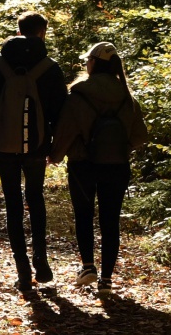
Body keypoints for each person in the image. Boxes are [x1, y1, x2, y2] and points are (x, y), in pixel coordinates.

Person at [0, 11, 68, 292]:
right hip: (37, 145)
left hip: (5, 145)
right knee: (35, 198)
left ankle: (23, 270)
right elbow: (60, 110)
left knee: (13, 203)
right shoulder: (49, 67)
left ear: (19, 30)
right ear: (42, 32)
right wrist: (55, 144)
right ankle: (41, 257)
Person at [49, 42, 149, 293]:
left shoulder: (79, 94)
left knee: (84, 215)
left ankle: (88, 267)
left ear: (93, 63)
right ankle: (106, 279)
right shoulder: (127, 96)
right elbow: (139, 137)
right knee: (110, 219)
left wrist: (55, 155)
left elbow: (65, 131)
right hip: (117, 166)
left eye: (87, 60)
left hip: (83, 165)